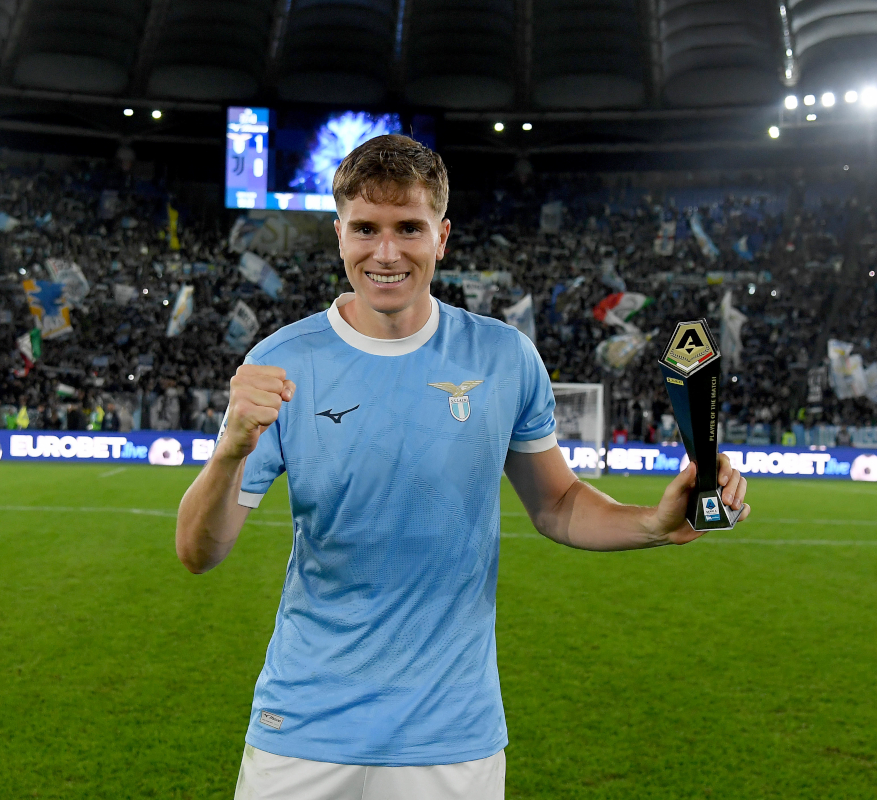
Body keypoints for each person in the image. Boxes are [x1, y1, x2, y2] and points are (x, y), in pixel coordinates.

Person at [174, 135, 751, 800]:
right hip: (302, 727)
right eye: (364, 228)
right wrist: (229, 452)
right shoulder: (281, 361)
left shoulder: (503, 357)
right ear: (338, 235)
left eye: (407, 229)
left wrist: (653, 522)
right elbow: (197, 551)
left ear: (441, 236)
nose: (384, 252)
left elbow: (556, 503)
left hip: (451, 734)